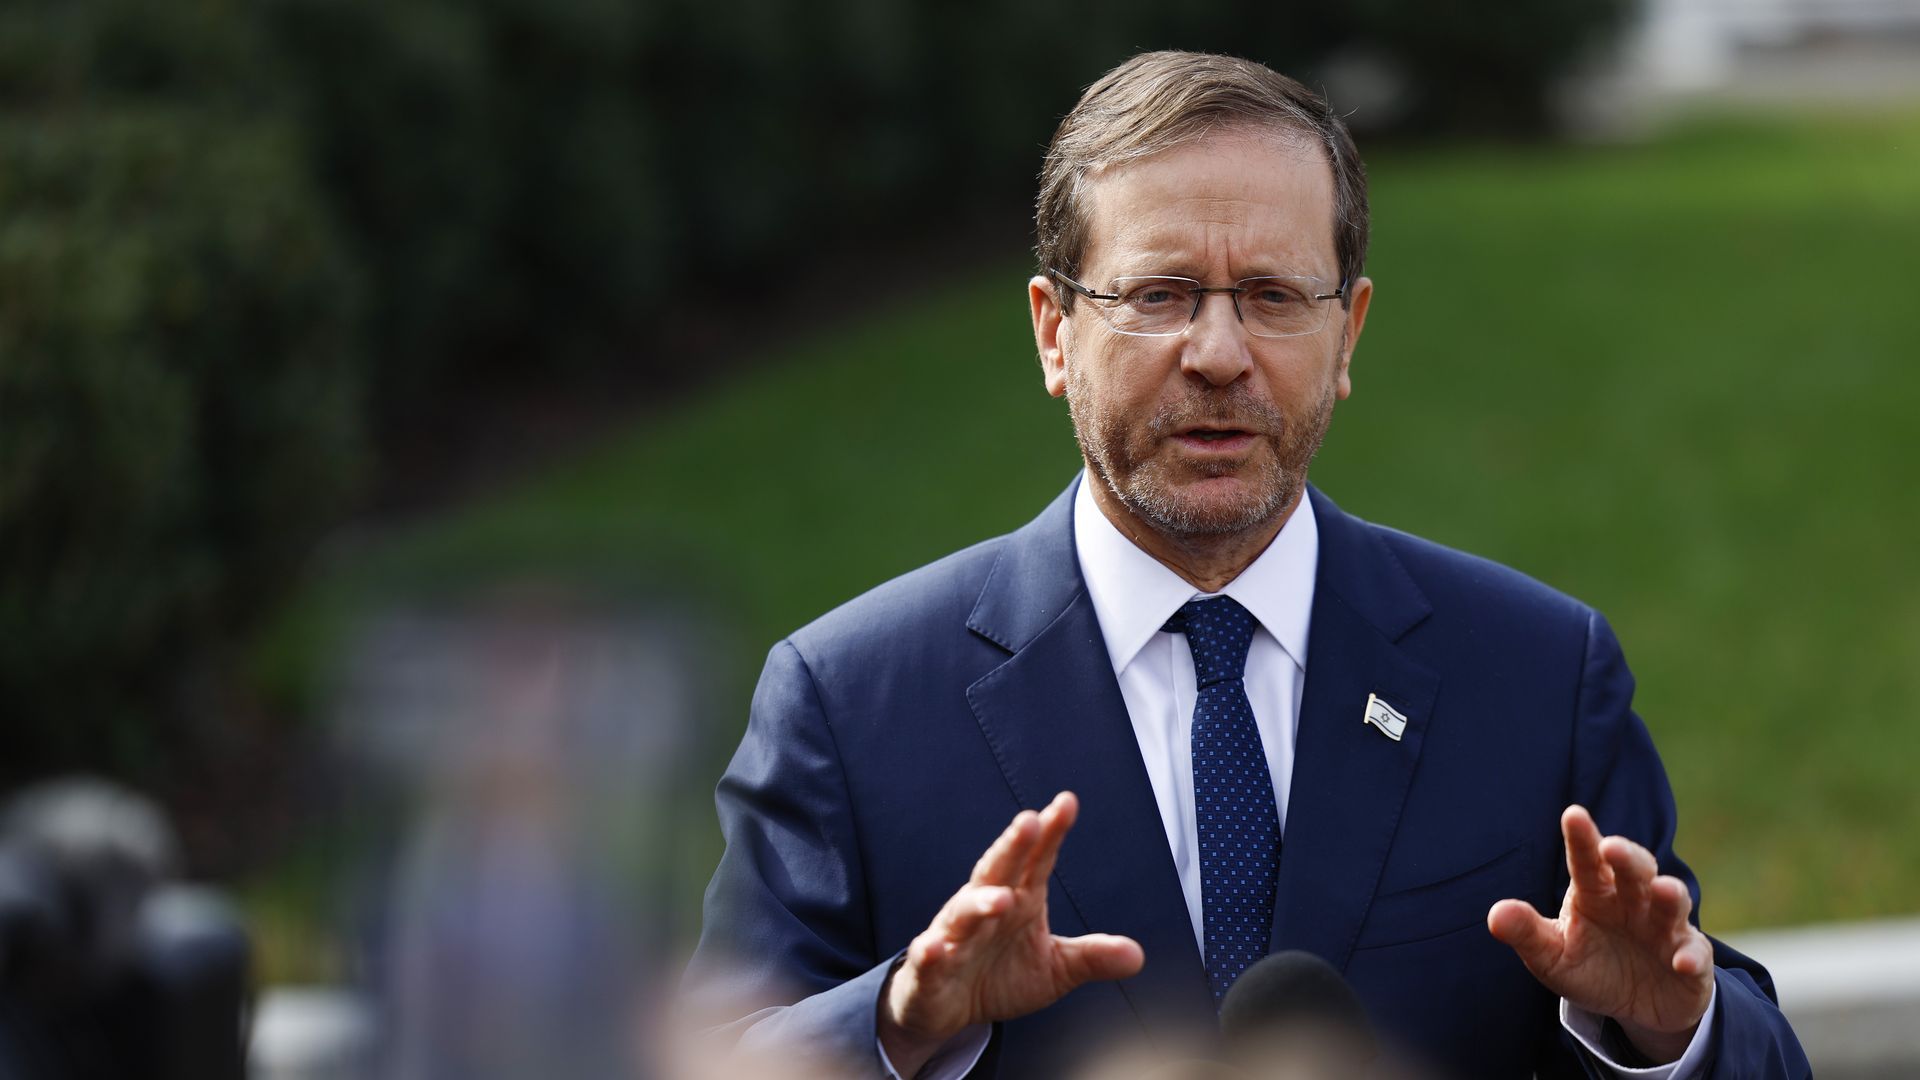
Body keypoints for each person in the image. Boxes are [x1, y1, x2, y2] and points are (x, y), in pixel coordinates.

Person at [685, 51, 1809, 1080]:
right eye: (1159, 295)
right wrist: (898, 1021)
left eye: (1273, 296)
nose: (1219, 356)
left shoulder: (1536, 675)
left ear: (1348, 332)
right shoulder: (852, 705)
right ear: (1054, 332)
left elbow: (1732, 1031)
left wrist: (1669, 1033)